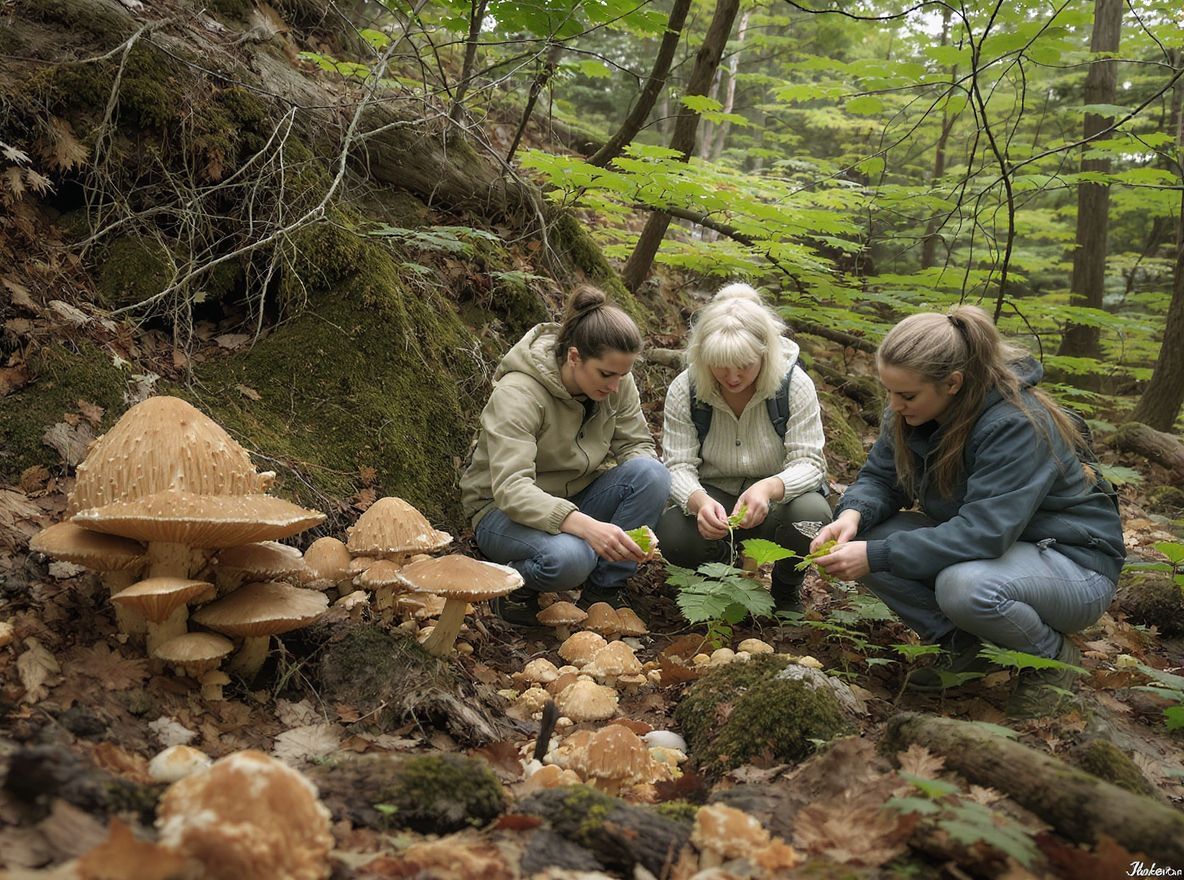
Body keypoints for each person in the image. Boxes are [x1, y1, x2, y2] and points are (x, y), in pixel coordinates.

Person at [810, 306, 1124, 716]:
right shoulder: (912, 411)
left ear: (953, 383)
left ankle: (1051, 660)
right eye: (888, 391)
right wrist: (851, 516)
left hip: (1073, 566)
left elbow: (984, 533)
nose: (894, 405)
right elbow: (880, 480)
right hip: (1004, 554)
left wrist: (876, 557)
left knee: (965, 586)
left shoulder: (1016, 423)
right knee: (865, 536)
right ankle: (964, 647)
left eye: (906, 395)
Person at [459, 285, 671, 625]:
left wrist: (634, 522)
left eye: (623, 375)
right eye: (607, 374)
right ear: (574, 357)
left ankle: (602, 593)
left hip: (577, 496)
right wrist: (588, 528)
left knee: (653, 474)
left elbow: (637, 446)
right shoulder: (519, 394)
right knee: (571, 558)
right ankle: (511, 587)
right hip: (502, 511)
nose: (616, 386)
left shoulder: (615, 380)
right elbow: (512, 489)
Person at [656, 283, 832, 613]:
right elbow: (677, 466)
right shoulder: (687, 388)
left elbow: (810, 462)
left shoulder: (793, 385)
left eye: (745, 365)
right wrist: (698, 501)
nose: (733, 377)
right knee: (673, 535)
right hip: (715, 495)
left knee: (811, 516)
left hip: (778, 502)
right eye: (720, 365)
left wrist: (769, 488)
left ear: (765, 355)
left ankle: (785, 590)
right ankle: (722, 579)